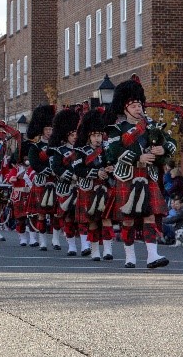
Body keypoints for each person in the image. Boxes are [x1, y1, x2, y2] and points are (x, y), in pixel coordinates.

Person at [105, 76, 175, 269]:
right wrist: (138, 158)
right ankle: (130, 256)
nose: (138, 108)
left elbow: (170, 142)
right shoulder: (116, 129)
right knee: (127, 220)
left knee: (150, 215)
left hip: (148, 175)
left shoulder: (151, 125)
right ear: (125, 107)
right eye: (133, 105)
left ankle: (152, 255)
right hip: (127, 175)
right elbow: (113, 151)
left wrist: (164, 149)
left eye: (139, 105)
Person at [72, 108, 114, 261]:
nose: (98, 138)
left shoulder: (106, 150)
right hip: (88, 189)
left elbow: (113, 163)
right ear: (88, 136)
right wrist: (96, 173)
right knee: (92, 221)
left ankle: (108, 250)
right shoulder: (81, 151)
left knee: (106, 219)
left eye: (99, 135)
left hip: (104, 188)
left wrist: (110, 168)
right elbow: (78, 169)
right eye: (95, 135)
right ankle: (95, 251)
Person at [26, 104, 60, 251]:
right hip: (42, 181)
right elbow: (34, 163)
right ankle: (42, 241)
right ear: (42, 130)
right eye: (47, 129)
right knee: (41, 213)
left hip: (56, 182)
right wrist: (48, 171)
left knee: (57, 213)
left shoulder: (58, 146)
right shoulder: (35, 147)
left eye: (51, 129)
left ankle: (56, 239)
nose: (49, 132)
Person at [49, 107, 81, 256]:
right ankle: (71, 245)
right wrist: (70, 176)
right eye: (72, 134)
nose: (75, 137)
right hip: (65, 187)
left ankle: (86, 245)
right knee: (66, 216)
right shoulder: (60, 151)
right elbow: (56, 167)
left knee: (81, 216)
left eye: (76, 133)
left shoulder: (83, 150)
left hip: (82, 186)